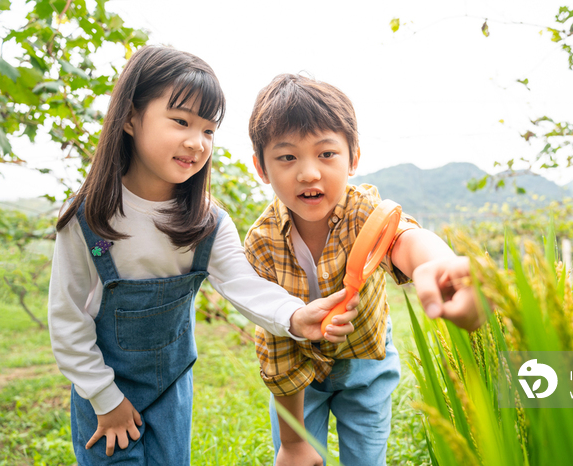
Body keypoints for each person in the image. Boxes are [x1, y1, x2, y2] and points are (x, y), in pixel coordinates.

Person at [47, 47, 358, 465]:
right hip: (101, 391)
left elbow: (245, 285)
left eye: (209, 131)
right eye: (181, 122)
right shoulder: (88, 217)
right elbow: (68, 320)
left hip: (171, 390)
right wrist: (105, 398)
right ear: (130, 117)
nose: (196, 142)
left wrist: (295, 316)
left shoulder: (206, 222)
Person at [245, 73, 485, 466]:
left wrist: (438, 266)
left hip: (366, 367)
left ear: (353, 157)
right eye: (287, 157)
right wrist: (291, 444)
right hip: (297, 378)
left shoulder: (363, 213)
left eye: (326, 154)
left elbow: (400, 236)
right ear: (261, 167)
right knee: (298, 458)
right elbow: (276, 344)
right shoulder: (261, 243)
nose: (308, 173)